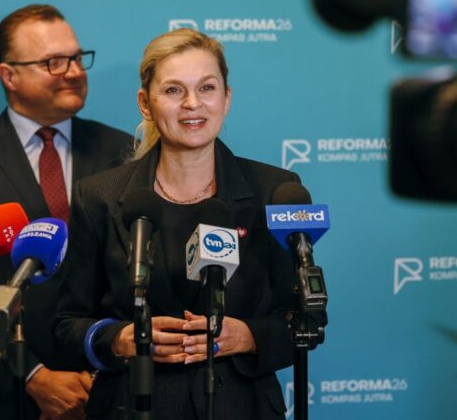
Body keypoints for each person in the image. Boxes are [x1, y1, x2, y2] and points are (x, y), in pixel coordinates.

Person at [44, 28, 327, 419]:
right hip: (133, 406)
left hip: (242, 407)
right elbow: (66, 325)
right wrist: (122, 339)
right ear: (146, 104)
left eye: (207, 88)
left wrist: (247, 336)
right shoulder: (99, 197)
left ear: (226, 98)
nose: (193, 104)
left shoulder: (274, 191)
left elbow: (307, 319)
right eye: (174, 90)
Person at [0, 4, 133, 419]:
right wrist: (33, 376)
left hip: (104, 388)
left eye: (77, 58)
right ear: (9, 76)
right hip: (3, 395)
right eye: (54, 62)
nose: (74, 71)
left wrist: (99, 368)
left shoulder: (123, 151)